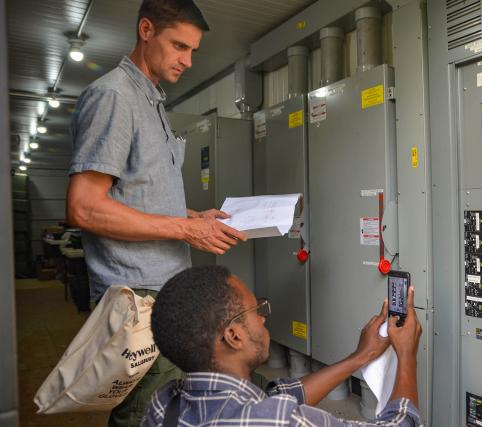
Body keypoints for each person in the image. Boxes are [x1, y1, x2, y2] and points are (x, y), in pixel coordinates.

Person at [66, 1, 246, 425]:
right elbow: (84, 206)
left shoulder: (152, 102)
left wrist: (192, 217)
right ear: (146, 29)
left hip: (163, 292)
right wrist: (183, 229)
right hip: (134, 300)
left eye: (193, 51)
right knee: (144, 412)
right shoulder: (114, 96)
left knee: (167, 410)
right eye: (178, 46)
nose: (186, 60)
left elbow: (134, 195)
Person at [142, 265, 423, 427]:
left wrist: (360, 357)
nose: (264, 317)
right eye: (257, 310)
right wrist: (407, 355)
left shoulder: (164, 404)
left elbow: (276, 395)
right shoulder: (277, 421)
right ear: (234, 336)